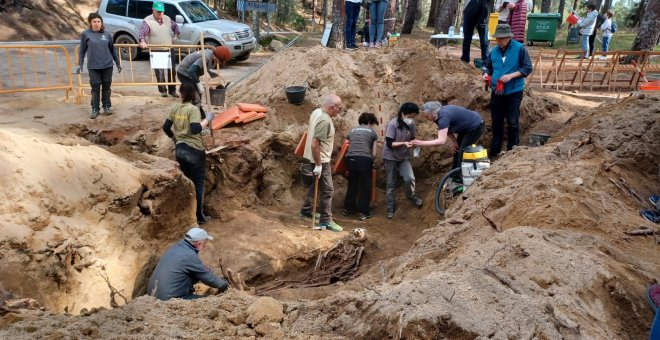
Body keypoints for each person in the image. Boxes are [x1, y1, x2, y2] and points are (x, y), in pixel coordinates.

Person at [162, 82, 215, 225]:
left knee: (186, 183)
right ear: (194, 94)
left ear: (180, 93)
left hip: (180, 151)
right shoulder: (193, 110)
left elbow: (166, 127)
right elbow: (195, 129)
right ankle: (199, 216)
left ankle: (185, 213)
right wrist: (207, 119)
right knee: (198, 184)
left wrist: (174, 138)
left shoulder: (174, 108)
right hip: (194, 151)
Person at [482, 24, 532, 158]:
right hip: (496, 91)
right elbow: (488, 67)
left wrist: (511, 76)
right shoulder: (494, 51)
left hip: (514, 91)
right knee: (496, 120)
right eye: (497, 38)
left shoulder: (520, 49)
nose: (499, 41)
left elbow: (527, 68)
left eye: (502, 38)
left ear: (509, 37)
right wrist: (486, 74)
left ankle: (512, 149)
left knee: (512, 120)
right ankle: (495, 148)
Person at [299, 94, 345, 232]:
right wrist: (319, 164)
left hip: (312, 157)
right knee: (328, 189)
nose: (340, 111)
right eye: (339, 108)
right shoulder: (325, 121)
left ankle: (306, 210)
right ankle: (326, 220)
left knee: (316, 185)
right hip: (320, 160)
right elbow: (315, 144)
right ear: (331, 107)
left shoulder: (316, 112)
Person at [147, 227, 229, 300]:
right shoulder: (189, 255)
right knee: (211, 301)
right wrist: (225, 285)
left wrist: (202, 269)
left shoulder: (175, 248)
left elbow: (183, 269)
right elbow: (208, 278)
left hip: (153, 295)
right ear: (199, 244)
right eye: (204, 244)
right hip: (170, 299)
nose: (204, 247)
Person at [412, 102, 485, 180]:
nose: (427, 119)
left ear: (433, 113)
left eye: (427, 116)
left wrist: (421, 143)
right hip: (465, 127)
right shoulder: (436, 115)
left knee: (463, 152)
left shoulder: (443, 117)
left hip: (476, 126)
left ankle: (462, 176)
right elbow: (447, 129)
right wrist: (454, 141)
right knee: (457, 150)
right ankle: (454, 174)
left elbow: (441, 141)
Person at [76, 13, 121, 119]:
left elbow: (112, 50)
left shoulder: (107, 35)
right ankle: (95, 109)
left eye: (98, 21)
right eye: (94, 22)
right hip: (93, 67)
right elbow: (82, 51)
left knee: (106, 87)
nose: (96, 24)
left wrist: (118, 63)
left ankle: (106, 106)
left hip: (107, 65)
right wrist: (80, 64)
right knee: (95, 88)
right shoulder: (86, 34)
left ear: (101, 23)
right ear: (90, 23)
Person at [383, 103, 423, 219]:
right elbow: (390, 143)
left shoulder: (410, 125)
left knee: (409, 178)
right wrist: (404, 143)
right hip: (390, 157)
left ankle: (411, 196)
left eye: (413, 117)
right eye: (410, 116)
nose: (412, 119)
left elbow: (412, 137)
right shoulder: (393, 124)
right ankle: (390, 206)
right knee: (391, 183)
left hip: (403, 157)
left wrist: (415, 143)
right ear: (403, 114)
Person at [138, 1, 180, 98]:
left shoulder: (167, 19)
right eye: (158, 11)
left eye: (162, 11)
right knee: (160, 72)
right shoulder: (147, 21)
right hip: (156, 50)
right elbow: (142, 33)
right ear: (153, 10)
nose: (160, 13)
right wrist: (142, 41)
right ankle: (163, 91)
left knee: (172, 70)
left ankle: (172, 90)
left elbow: (176, 27)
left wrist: (175, 36)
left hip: (169, 49)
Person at [343, 112, 379, 221]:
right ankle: (363, 212)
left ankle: (349, 209)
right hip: (364, 159)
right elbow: (373, 153)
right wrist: (371, 161)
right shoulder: (372, 132)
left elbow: (345, 146)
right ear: (369, 122)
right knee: (365, 186)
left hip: (350, 159)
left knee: (352, 184)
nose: (372, 126)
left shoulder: (352, 131)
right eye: (372, 124)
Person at [176, 46, 231, 116]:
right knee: (195, 95)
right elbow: (191, 71)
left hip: (191, 74)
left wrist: (210, 72)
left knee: (198, 93)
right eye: (221, 61)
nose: (220, 63)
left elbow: (204, 66)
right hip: (184, 73)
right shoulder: (205, 57)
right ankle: (194, 117)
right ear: (216, 56)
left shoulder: (211, 55)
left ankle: (199, 112)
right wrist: (198, 84)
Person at [461, 0, 490, 64]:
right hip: (469, 12)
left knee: (484, 41)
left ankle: (486, 62)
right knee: (466, 39)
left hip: (482, 12)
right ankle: (465, 59)